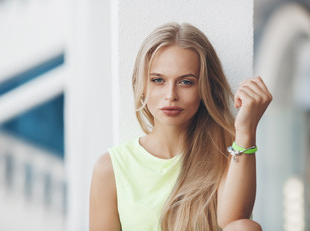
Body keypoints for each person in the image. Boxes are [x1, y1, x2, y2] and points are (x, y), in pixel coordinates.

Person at [89, 22, 272, 231]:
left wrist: (246, 131)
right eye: (158, 80)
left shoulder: (228, 150)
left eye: (186, 82)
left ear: (204, 88)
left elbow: (233, 222)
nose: (171, 95)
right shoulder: (110, 168)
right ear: (142, 86)